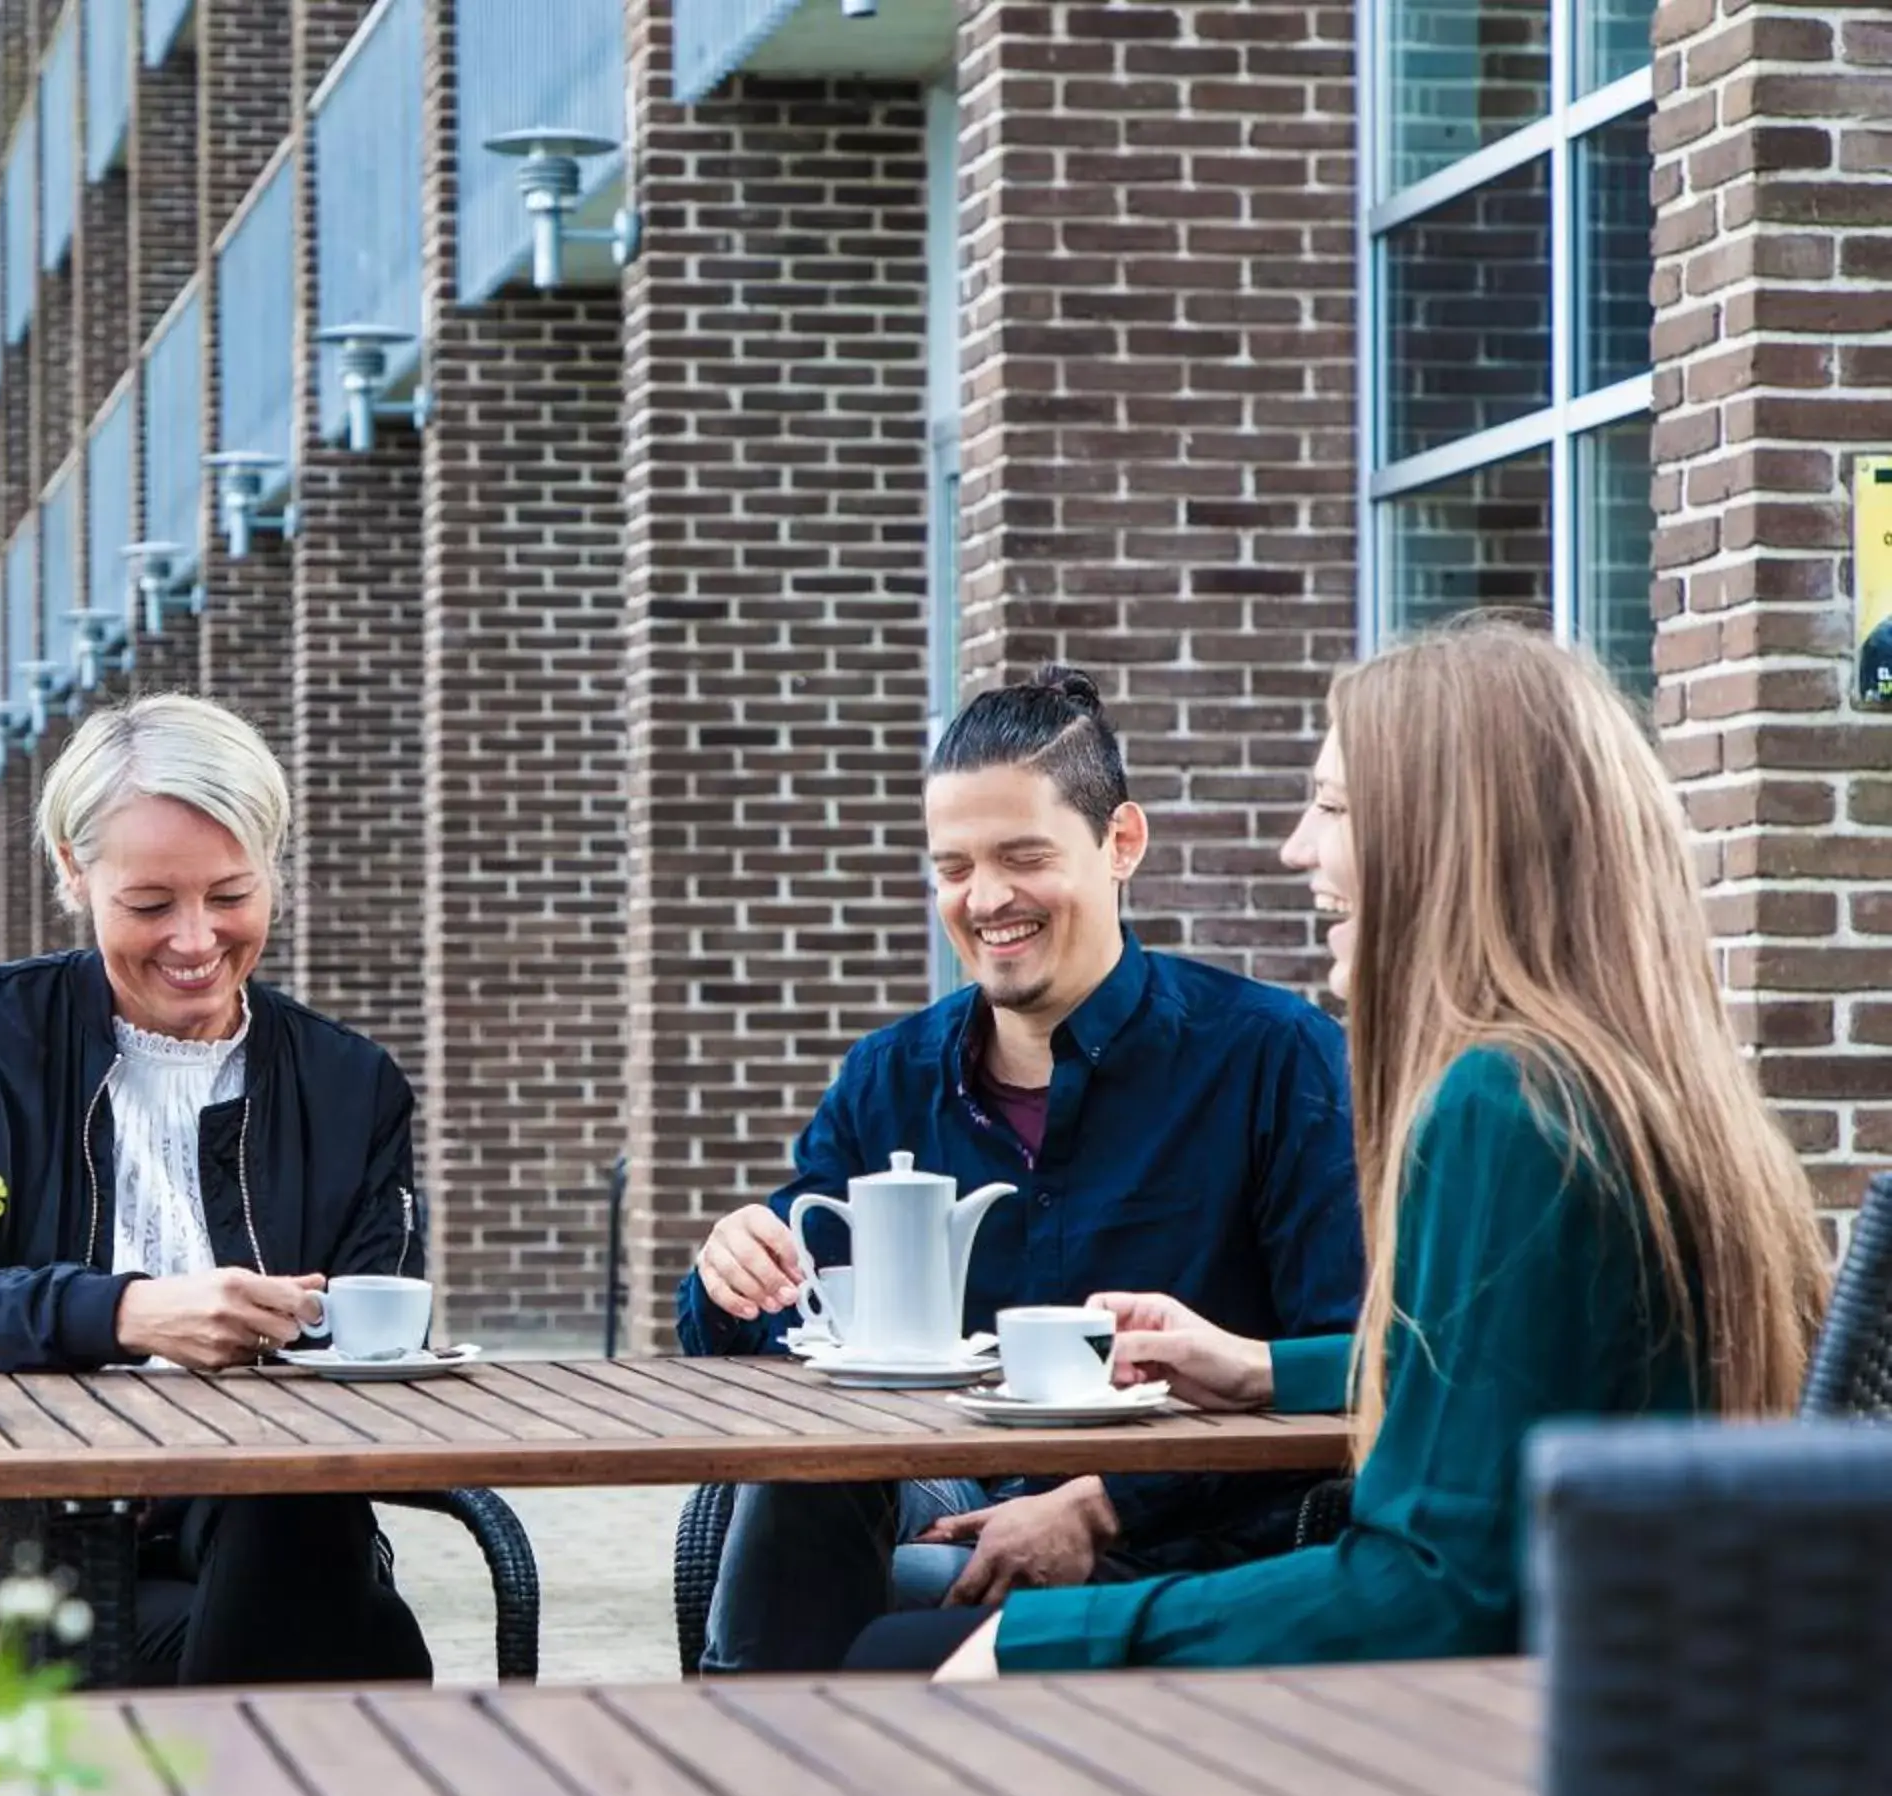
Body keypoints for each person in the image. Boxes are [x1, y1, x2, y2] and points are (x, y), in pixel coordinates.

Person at [869, 619, 1831, 1678]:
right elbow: (1497, 1372)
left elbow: (1432, 1590)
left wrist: (1045, 1638)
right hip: (1634, 1685)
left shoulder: (1499, 1106)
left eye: (1331, 806)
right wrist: (1260, 1368)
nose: (1298, 847)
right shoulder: (1620, 1084)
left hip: (1480, 1729)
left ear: (1445, 834)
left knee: (887, 1661)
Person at [684, 667, 1367, 1675]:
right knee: (800, 1475)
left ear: (1120, 843)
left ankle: (763, 1763)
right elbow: (776, 1332)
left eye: (1022, 856)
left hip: (1182, 1539)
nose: (987, 898)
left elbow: (1341, 1363)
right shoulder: (888, 1078)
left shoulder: (1273, 1060)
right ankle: (771, 1761)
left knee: (856, 1611)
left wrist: (1098, 1504)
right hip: (933, 1491)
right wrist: (728, 1275)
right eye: (953, 867)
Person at [0, 692, 432, 1689]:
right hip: (21, 1522)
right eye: (152, 903)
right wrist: (126, 1313)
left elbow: (378, 1337)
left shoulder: (352, 1085)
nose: (197, 940)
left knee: (284, 1499)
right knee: (362, 1646)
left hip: (265, 1515)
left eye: (231, 894)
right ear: (76, 876)